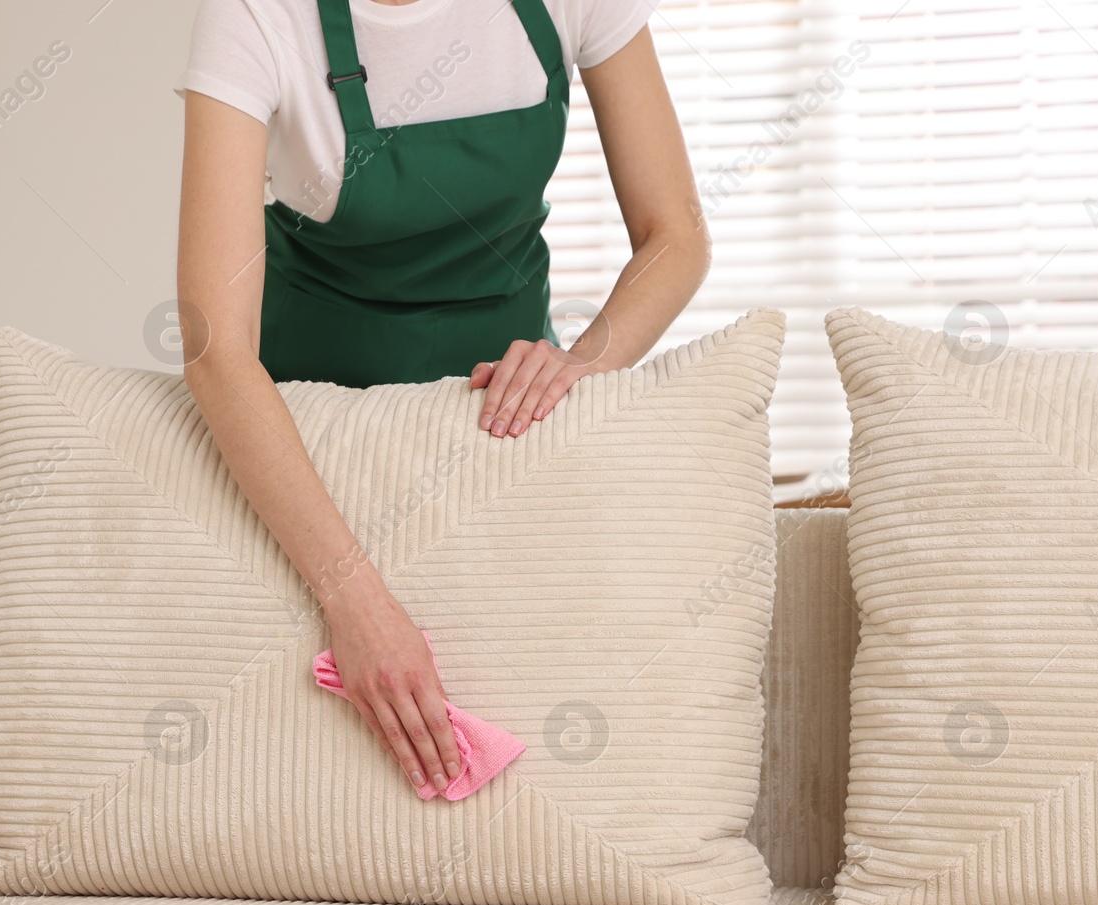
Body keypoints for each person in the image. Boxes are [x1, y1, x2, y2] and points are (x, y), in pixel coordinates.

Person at [174, 0, 708, 796]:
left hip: (500, 440)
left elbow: (677, 234)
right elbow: (216, 350)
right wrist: (352, 599)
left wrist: (582, 364)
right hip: (313, 463)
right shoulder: (257, 15)